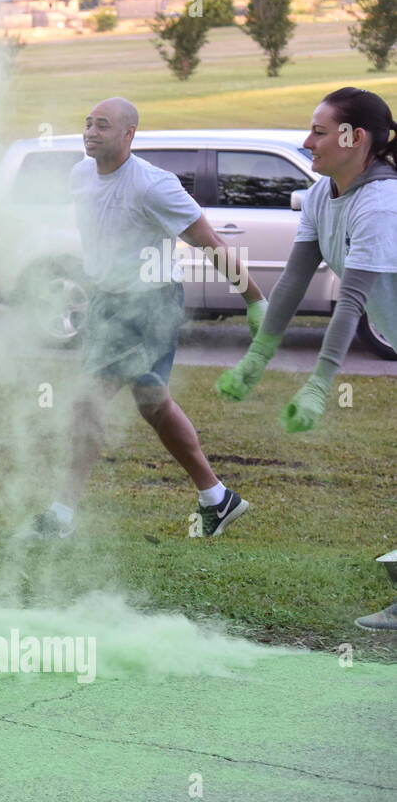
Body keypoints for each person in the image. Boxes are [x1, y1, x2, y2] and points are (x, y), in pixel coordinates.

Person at [24, 96, 265, 540]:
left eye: (103, 125)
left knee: (87, 401)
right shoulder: (80, 175)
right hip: (107, 303)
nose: (91, 132)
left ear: (128, 134)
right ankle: (217, 497)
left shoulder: (154, 185)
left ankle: (61, 515)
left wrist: (254, 300)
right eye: (87, 123)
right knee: (154, 406)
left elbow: (209, 240)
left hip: (150, 304)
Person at [216, 87, 397, 631]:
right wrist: (257, 357)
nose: (306, 141)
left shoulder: (382, 202)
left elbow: (352, 300)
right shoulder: (323, 195)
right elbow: (295, 281)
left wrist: (320, 383)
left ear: (354, 138)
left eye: (319, 131)